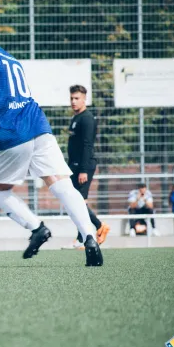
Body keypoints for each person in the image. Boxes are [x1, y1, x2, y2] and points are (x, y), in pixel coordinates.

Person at [0, 13, 102, 266]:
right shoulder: (11, 59)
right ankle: (90, 238)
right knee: (61, 184)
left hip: (10, 131)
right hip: (38, 126)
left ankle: (36, 227)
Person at [63, 85, 110, 249]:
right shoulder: (76, 118)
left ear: (84, 99)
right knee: (77, 203)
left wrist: (83, 169)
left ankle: (98, 227)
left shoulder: (87, 118)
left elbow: (87, 145)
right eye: (71, 98)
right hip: (74, 166)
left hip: (84, 167)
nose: (73, 101)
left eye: (77, 98)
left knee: (79, 203)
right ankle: (82, 238)